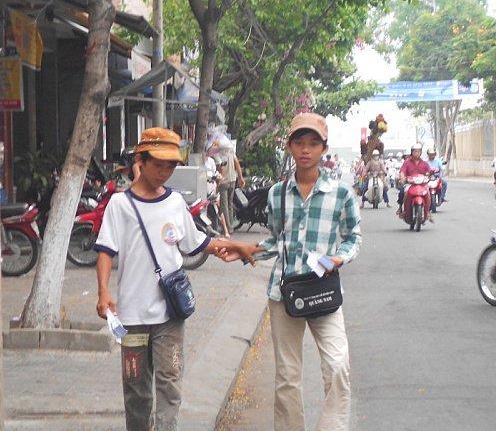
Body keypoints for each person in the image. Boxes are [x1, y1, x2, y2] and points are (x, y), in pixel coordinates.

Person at [94, 127, 262, 431]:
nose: (164, 172)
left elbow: (199, 243)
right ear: (140, 161)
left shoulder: (174, 203)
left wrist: (236, 245)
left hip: (170, 315)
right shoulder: (119, 205)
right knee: (136, 388)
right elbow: (105, 250)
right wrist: (103, 292)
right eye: (158, 164)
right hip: (131, 316)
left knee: (169, 382)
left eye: (170, 165)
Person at [259, 113, 362, 430]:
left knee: (338, 365)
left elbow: (353, 237)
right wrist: (249, 250)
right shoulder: (277, 193)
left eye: (313, 143)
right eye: (300, 143)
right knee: (287, 376)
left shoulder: (341, 193)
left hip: (324, 291)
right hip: (284, 291)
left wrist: (339, 258)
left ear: (323, 148)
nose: (306, 150)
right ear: (289, 146)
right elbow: (279, 239)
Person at [397, 143, 432, 221]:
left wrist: (430, 176)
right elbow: (402, 171)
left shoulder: (425, 163)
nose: (416, 153)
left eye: (418, 151)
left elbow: (429, 173)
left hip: (422, 184)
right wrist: (402, 178)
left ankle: (428, 211)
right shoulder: (407, 162)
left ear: (421, 152)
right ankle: (400, 208)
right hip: (410, 184)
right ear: (412, 152)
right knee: (402, 192)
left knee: (429, 194)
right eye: (415, 151)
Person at [218, 146, 245, 233]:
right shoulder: (231, 152)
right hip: (232, 180)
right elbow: (237, 164)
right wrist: (241, 178)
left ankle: (227, 228)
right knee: (230, 204)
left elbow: (221, 168)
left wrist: (218, 182)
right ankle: (231, 226)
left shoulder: (219, 154)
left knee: (224, 205)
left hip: (223, 181)